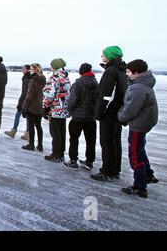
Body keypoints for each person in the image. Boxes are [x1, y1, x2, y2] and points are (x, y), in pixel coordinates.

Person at [118, 60, 159, 198]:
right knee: (140, 149)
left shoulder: (138, 88)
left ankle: (140, 186)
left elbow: (130, 109)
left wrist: (121, 117)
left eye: (129, 72)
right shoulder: (144, 83)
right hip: (145, 122)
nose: (127, 75)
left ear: (136, 72)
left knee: (135, 153)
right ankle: (148, 174)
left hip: (138, 124)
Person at [91, 46, 127, 182]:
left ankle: (107, 171)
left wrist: (99, 113)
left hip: (110, 112)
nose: (101, 56)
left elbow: (106, 95)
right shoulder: (121, 70)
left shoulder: (111, 71)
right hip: (118, 110)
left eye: (103, 55)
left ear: (110, 56)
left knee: (107, 142)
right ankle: (115, 170)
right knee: (115, 141)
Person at [63, 63, 98, 170]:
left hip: (78, 117)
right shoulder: (96, 83)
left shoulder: (77, 84)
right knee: (90, 140)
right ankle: (89, 161)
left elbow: (73, 100)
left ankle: (73, 160)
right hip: (91, 117)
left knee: (74, 139)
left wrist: (68, 110)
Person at [43, 58, 71, 162]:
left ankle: (56, 153)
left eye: (51, 65)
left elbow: (49, 95)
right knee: (61, 132)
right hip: (63, 109)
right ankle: (61, 153)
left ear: (55, 66)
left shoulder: (54, 78)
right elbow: (69, 94)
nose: (50, 67)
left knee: (54, 132)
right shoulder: (66, 77)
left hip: (55, 109)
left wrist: (45, 107)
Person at [21, 63, 46, 151]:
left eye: (31, 69)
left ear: (36, 70)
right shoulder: (43, 79)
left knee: (31, 126)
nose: (30, 71)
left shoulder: (33, 80)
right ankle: (40, 145)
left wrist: (24, 108)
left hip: (32, 106)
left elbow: (29, 95)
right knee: (38, 126)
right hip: (40, 106)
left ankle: (31, 145)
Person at [5, 65, 31, 139]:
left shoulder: (27, 78)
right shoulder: (28, 77)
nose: (22, 70)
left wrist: (20, 103)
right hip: (27, 100)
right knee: (27, 117)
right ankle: (27, 134)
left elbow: (25, 92)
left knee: (18, 115)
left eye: (23, 69)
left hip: (25, 101)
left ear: (28, 70)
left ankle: (14, 131)